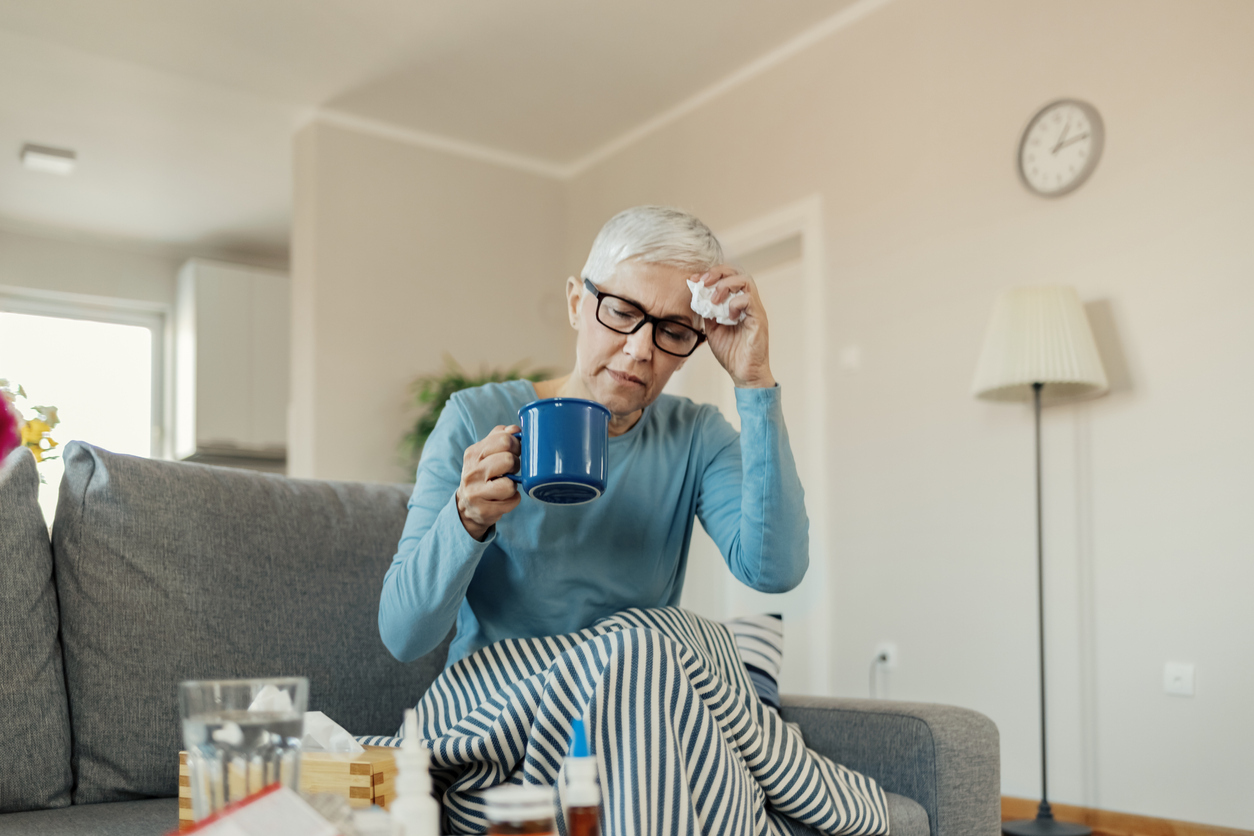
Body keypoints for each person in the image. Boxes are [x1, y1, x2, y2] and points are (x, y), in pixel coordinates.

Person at [379, 205, 809, 668]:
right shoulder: (473, 417)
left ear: (690, 349)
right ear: (574, 304)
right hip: (504, 700)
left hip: (631, 703)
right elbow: (403, 636)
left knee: (683, 644)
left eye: (674, 331)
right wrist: (465, 518)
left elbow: (775, 572)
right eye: (623, 312)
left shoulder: (698, 436)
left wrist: (755, 381)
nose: (640, 349)